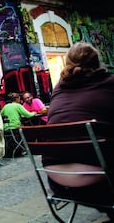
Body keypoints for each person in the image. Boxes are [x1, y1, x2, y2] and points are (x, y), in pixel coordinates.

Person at [45, 42, 114, 220]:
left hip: (57, 182)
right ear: (98, 62)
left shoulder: (59, 89)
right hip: (102, 182)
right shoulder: (109, 83)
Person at [0, 92, 36, 157]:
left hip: (6, 129)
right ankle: (27, 149)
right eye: (19, 98)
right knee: (29, 131)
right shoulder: (18, 105)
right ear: (17, 99)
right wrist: (34, 112)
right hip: (16, 128)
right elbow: (28, 115)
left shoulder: (6, 106)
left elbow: (0, 115)